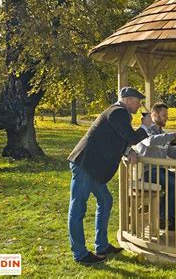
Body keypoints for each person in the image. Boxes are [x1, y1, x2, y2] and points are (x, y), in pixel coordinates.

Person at [67, 87, 152, 265]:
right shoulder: (117, 112)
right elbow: (130, 136)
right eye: (137, 102)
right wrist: (145, 126)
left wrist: (127, 151)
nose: (139, 106)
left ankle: (102, 245)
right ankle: (80, 254)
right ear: (128, 100)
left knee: (105, 200)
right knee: (77, 209)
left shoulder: (119, 114)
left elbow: (116, 138)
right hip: (86, 165)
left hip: (94, 167)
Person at [136, 102, 176, 231]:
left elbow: (171, 152)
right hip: (148, 172)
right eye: (164, 115)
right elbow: (151, 142)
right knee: (174, 184)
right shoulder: (146, 131)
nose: (166, 118)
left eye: (166, 115)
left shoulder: (162, 134)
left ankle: (168, 216)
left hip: (160, 170)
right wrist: (173, 135)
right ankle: (163, 219)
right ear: (154, 115)